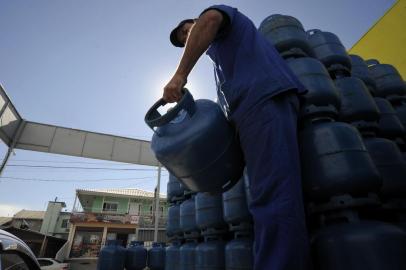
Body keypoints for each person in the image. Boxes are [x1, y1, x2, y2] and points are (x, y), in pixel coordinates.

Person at [163, 5, 311, 270]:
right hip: (254, 109)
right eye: (183, 39)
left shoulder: (219, 19)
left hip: (263, 100)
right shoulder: (223, 54)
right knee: (269, 195)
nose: (187, 37)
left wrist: (179, 75)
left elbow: (210, 18)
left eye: (188, 30)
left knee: (273, 196)